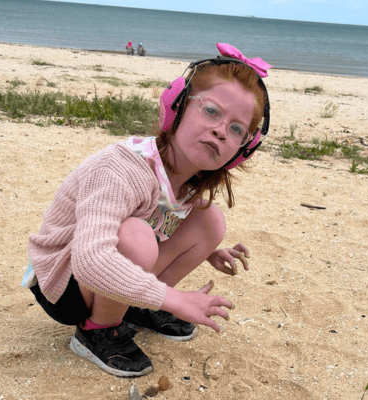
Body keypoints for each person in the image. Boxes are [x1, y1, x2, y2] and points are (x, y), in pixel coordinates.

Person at [23, 43, 272, 377]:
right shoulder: (122, 168)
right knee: (137, 238)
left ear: (242, 151)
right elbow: (90, 259)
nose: (220, 130)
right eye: (212, 111)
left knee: (210, 221)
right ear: (177, 107)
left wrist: (209, 250)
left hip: (106, 268)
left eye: (236, 129)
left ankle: (135, 305)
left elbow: (164, 216)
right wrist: (174, 299)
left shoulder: (186, 181)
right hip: (64, 280)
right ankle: (96, 330)